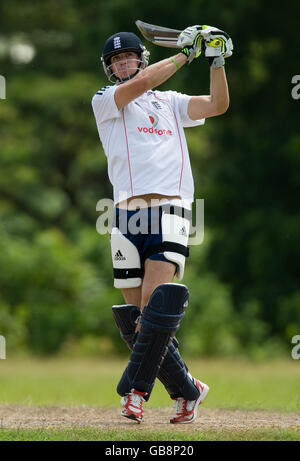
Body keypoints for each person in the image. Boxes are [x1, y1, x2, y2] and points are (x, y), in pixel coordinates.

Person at [92, 25, 232, 423]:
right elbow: (143, 83)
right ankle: (188, 391)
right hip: (123, 214)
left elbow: (218, 104)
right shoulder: (106, 100)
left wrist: (216, 60)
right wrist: (187, 54)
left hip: (170, 208)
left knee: (155, 308)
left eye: (129, 57)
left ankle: (134, 393)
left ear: (142, 58)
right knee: (138, 323)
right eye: (116, 61)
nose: (123, 64)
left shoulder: (169, 102)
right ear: (110, 69)